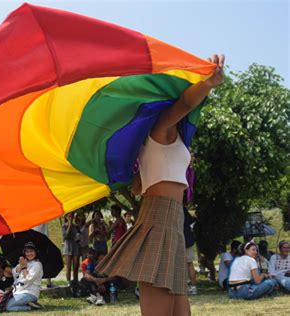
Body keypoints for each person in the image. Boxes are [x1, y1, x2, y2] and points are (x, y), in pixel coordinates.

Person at [97, 54, 225, 315]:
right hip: (158, 219)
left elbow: (140, 185)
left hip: (172, 220)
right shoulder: (160, 130)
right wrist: (207, 84)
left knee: (180, 310)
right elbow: (187, 101)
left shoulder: (171, 138)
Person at [6, 242, 43, 312]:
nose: (29, 254)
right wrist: (20, 265)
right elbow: (15, 273)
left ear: (36, 252)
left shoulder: (37, 265)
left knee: (8, 307)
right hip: (18, 291)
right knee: (4, 303)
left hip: (30, 292)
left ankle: (32, 308)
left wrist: (24, 267)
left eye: (31, 251)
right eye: (27, 251)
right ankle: (28, 304)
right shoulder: (25, 261)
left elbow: (28, 279)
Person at [62, 213, 80, 284]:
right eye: (69, 216)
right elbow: (65, 237)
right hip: (68, 246)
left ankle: (76, 281)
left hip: (75, 246)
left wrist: (78, 238)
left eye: (72, 216)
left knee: (76, 266)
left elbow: (78, 235)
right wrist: (69, 225)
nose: (71, 218)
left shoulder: (76, 226)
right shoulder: (64, 226)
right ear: (66, 217)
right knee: (68, 266)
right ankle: (68, 282)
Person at [183, 205, 197, 295]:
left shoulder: (173, 207)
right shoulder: (182, 208)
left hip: (179, 239)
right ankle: (193, 287)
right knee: (189, 263)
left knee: (182, 264)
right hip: (188, 238)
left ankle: (185, 287)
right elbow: (191, 220)